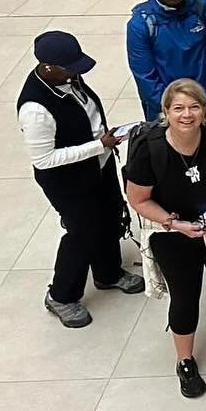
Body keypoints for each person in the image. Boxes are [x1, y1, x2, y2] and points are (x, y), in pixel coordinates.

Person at [124, 79, 206, 397]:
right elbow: (138, 199)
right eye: (178, 108)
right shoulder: (149, 149)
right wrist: (174, 224)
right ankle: (185, 361)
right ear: (166, 112)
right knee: (185, 295)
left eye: (194, 107)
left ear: (205, 111)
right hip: (173, 233)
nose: (187, 114)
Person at [19, 32, 143, 329]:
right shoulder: (35, 109)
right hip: (68, 182)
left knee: (110, 217)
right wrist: (99, 144)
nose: (78, 72)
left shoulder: (68, 79)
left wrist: (102, 145)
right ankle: (61, 295)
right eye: (70, 67)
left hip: (98, 167)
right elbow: (44, 159)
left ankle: (108, 273)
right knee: (83, 232)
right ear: (48, 67)